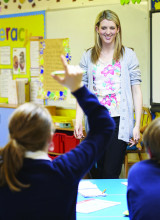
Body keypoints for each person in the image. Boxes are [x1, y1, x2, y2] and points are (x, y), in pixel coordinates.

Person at [0, 55, 115, 220]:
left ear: (12, 135)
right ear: (50, 140)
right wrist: (78, 88)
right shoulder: (64, 171)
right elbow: (105, 126)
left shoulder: (4, 172)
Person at [74, 9, 143, 179]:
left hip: (119, 121)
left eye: (112, 28)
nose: (108, 32)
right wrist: (78, 120)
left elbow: (136, 91)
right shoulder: (88, 56)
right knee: (96, 171)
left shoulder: (128, 55)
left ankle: (113, 203)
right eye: (104, 28)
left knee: (110, 172)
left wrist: (136, 125)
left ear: (118, 29)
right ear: (97, 29)